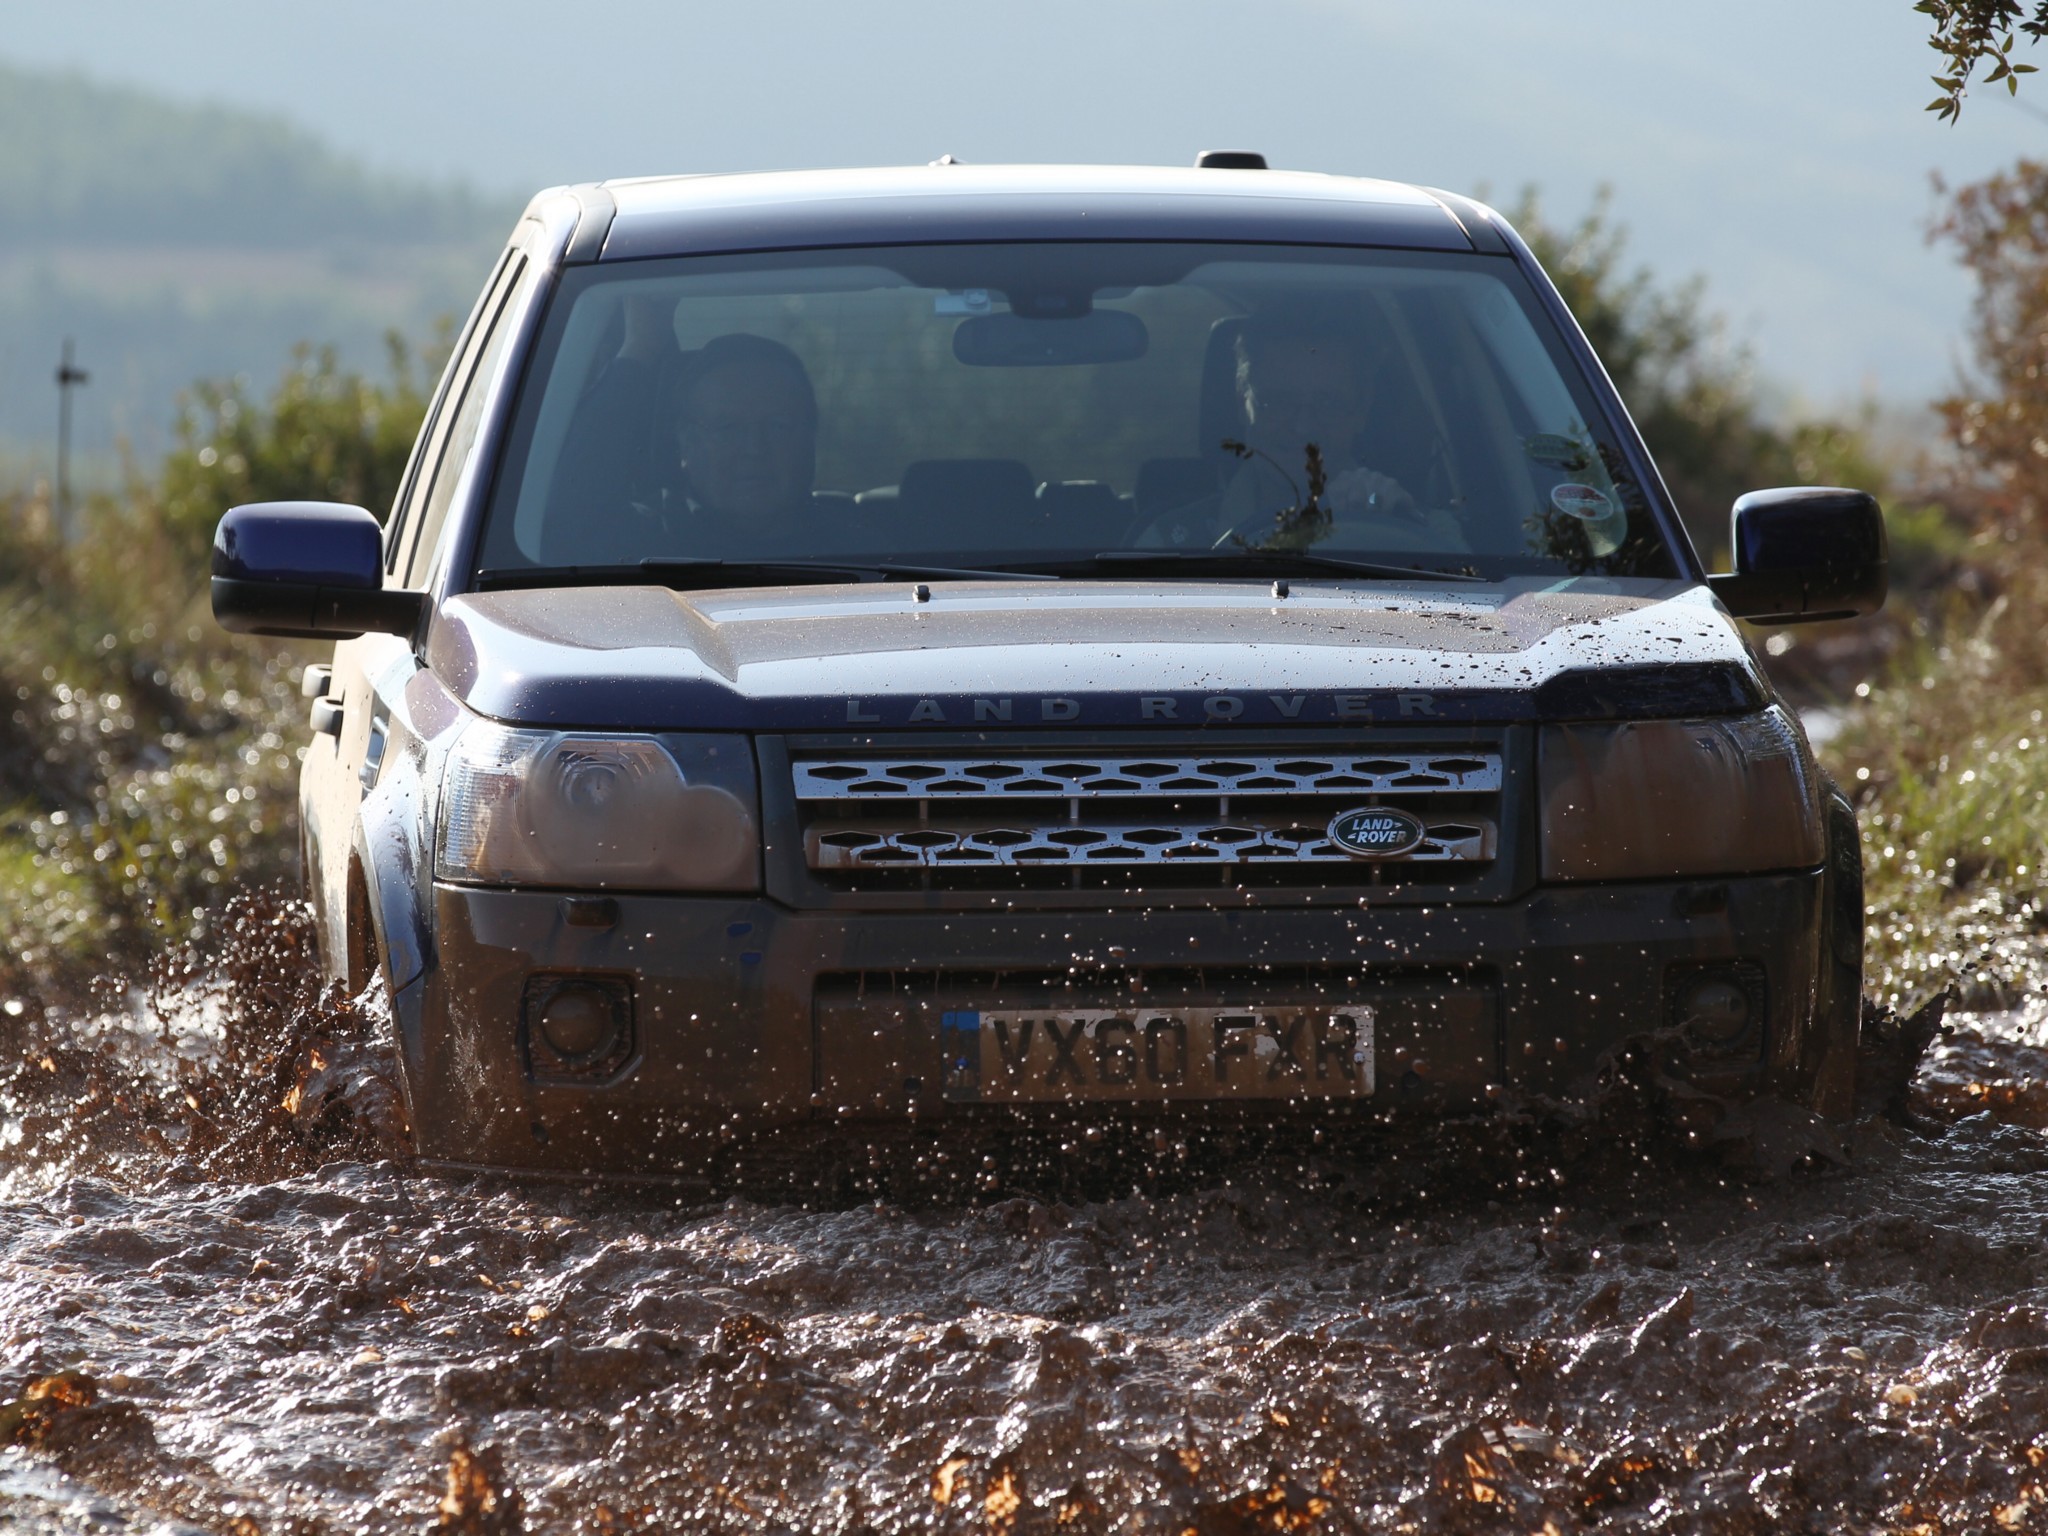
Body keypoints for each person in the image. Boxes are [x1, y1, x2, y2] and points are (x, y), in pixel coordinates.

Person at [1137, 313, 1459, 553]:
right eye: (1278, 402)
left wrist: (1390, 525)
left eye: (1329, 404)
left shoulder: (1427, 535)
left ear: (1362, 411)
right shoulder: (1172, 543)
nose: (1303, 426)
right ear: (1242, 405)